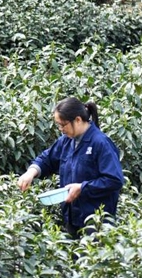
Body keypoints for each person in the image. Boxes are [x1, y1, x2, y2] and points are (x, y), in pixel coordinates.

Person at [17, 97, 124, 237]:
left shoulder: (101, 143)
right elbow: (47, 159)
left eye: (63, 125)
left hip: (97, 222)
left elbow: (114, 180)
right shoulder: (66, 141)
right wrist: (31, 172)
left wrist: (82, 188)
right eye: (58, 125)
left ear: (78, 120)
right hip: (72, 218)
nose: (61, 129)